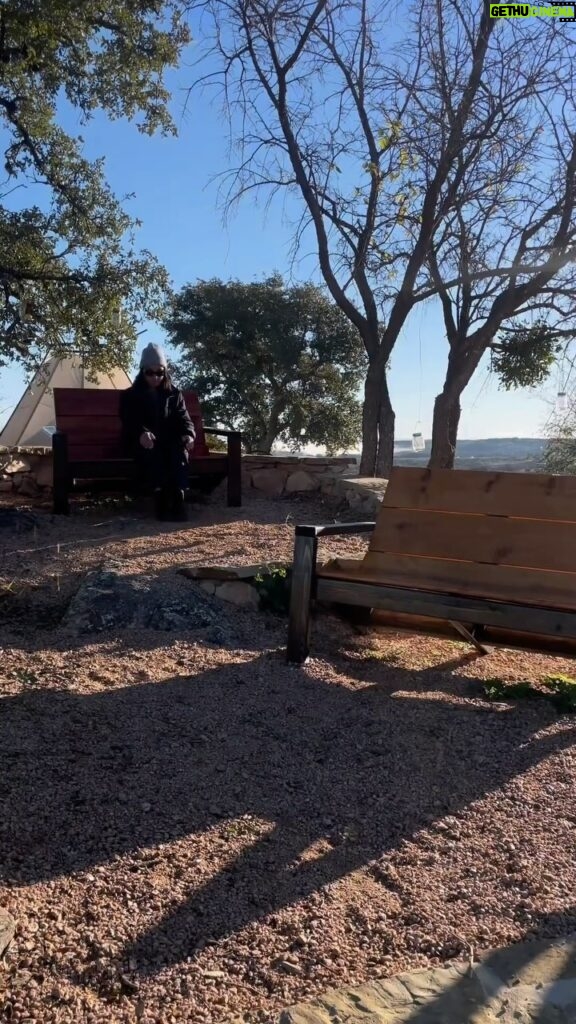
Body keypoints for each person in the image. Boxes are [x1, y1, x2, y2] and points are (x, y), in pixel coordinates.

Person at [119, 343, 196, 522]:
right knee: (153, 450)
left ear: (165, 372)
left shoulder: (174, 394)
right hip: (141, 442)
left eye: (159, 372)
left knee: (179, 450)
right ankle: (160, 498)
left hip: (168, 441)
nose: (155, 377)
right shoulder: (130, 396)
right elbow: (129, 420)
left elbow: (184, 418)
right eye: (150, 372)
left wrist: (189, 434)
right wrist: (141, 433)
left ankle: (178, 498)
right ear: (142, 371)